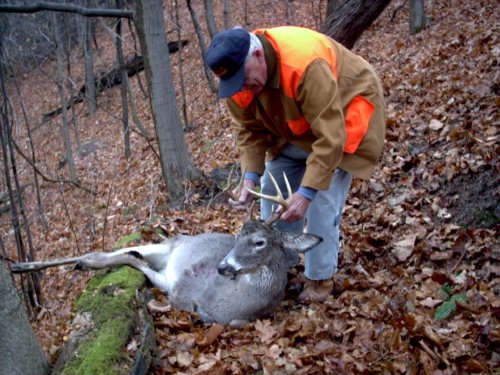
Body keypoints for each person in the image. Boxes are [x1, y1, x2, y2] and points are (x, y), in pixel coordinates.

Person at [205, 26, 386, 302]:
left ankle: (320, 280)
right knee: (270, 184)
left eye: (244, 78)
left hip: (346, 116)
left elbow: (330, 138)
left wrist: (306, 193)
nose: (242, 86)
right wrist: (249, 178)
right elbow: (249, 132)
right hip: (295, 129)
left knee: (320, 200)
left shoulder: (304, 66)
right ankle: (280, 264)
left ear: (257, 54)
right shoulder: (240, 82)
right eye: (235, 83)